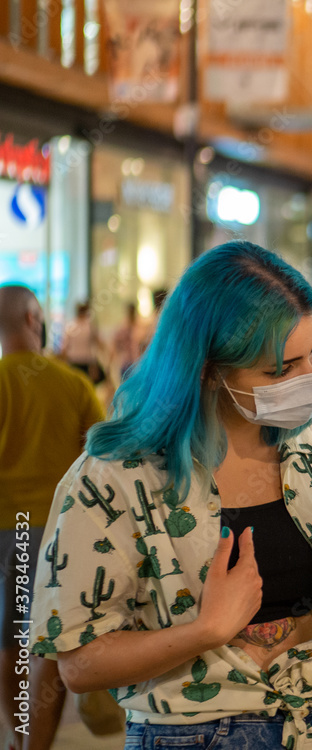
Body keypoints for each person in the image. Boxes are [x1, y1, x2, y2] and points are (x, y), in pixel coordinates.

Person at [29, 241, 312, 750]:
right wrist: (206, 631)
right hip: (189, 734)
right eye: (280, 370)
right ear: (209, 368)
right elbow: (78, 662)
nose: (311, 382)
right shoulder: (118, 477)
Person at [0, 284, 105, 750]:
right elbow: (103, 461)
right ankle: (32, 744)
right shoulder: (73, 384)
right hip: (56, 530)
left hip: (6, 529)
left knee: (9, 639)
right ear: (32, 320)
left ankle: (19, 736)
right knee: (49, 641)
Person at [58, 301, 105, 386]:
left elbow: (64, 349)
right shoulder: (90, 326)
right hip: (87, 363)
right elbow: (100, 344)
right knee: (87, 386)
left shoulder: (71, 326)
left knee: (75, 387)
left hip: (74, 362)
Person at [111, 301, 142, 382]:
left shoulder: (137, 326)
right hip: (128, 361)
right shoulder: (125, 327)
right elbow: (115, 344)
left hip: (134, 361)